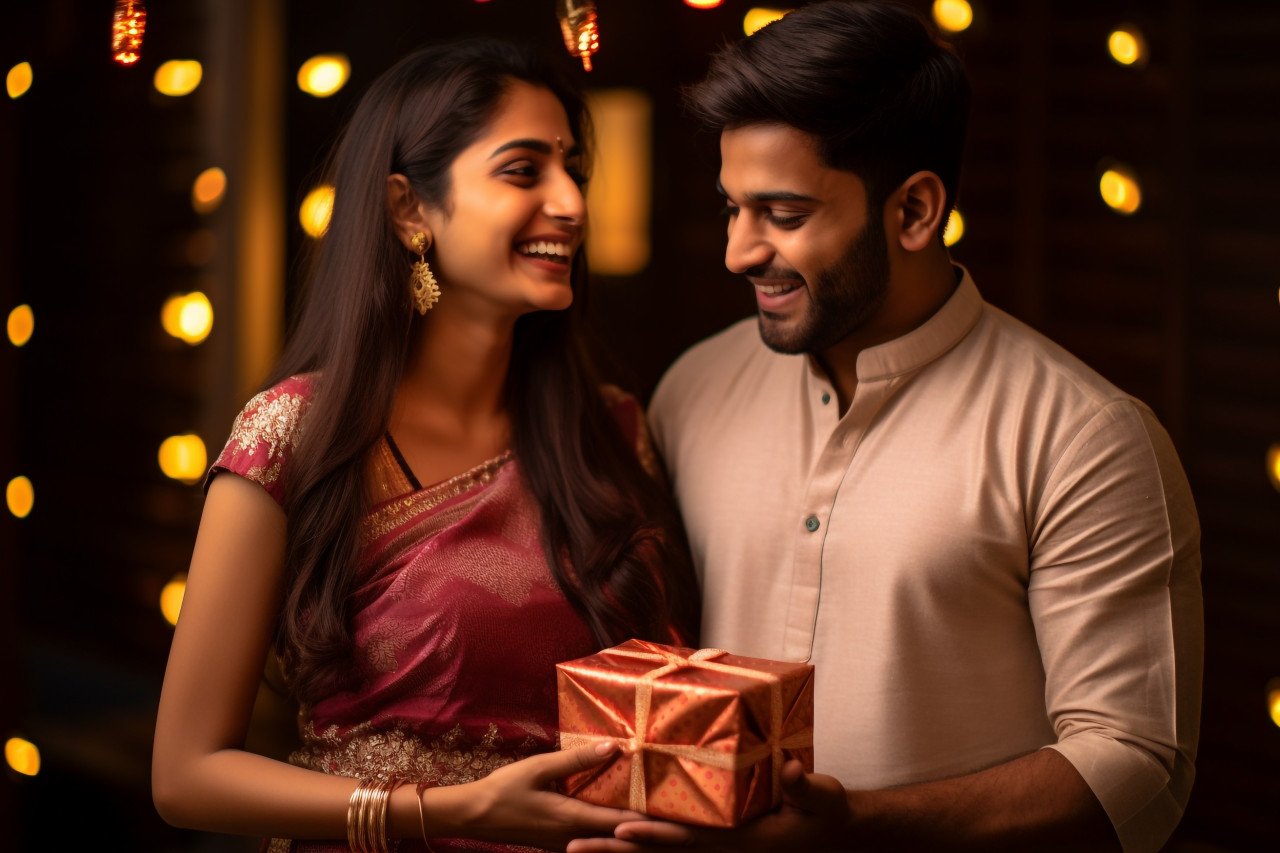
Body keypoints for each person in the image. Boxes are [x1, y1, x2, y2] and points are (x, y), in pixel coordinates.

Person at [567, 2, 1202, 852]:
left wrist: (862, 827)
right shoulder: (692, 389)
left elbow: (1135, 761)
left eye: (783, 215)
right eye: (732, 209)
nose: (739, 252)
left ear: (913, 211)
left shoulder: (1083, 435)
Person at [151, 37, 701, 853]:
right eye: (523, 170)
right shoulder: (296, 435)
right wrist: (444, 812)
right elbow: (185, 775)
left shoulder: (613, 430)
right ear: (409, 209)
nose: (572, 203)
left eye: (572, 170)